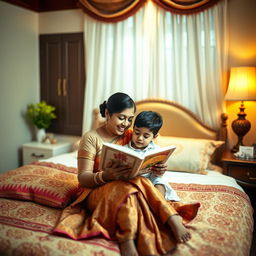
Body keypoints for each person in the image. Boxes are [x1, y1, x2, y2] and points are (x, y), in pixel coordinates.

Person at [53, 92, 200, 256]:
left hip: (129, 186)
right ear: (108, 113)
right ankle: (162, 220)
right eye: (122, 118)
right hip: (95, 190)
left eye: (130, 119)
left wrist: (159, 167)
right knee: (135, 185)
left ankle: (128, 238)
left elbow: (150, 148)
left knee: (134, 187)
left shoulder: (132, 135)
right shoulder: (91, 138)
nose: (126, 124)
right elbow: (83, 178)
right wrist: (106, 176)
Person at [124, 111, 180, 202]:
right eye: (137, 133)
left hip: (151, 180)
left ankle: (160, 205)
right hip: (133, 181)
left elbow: (157, 174)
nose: (140, 138)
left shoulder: (157, 151)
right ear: (133, 129)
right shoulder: (125, 150)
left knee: (160, 183)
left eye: (146, 136)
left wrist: (160, 170)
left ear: (154, 136)